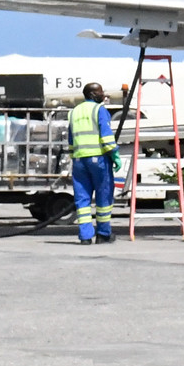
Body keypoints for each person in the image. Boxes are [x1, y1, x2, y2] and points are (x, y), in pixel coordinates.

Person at [67, 81, 118, 245]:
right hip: (99, 159)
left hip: (79, 160)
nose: (103, 94)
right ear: (92, 94)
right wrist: (115, 155)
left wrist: (72, 157)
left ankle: (85, 236)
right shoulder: (99, 110)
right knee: (104, 197)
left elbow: (70, 139)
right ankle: (103, 234)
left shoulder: (74, 112)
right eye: (100, 92)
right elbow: (107, 135)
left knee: (82, 199)